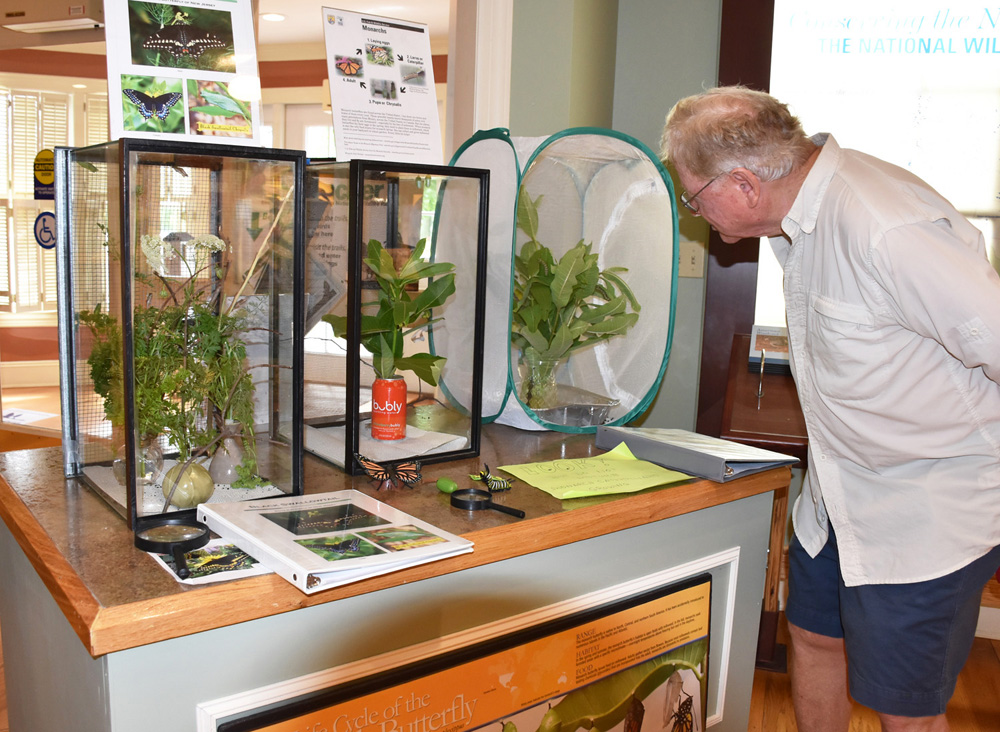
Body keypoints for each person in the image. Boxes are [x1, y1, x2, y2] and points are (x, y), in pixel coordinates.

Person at [660, 86, 1000, 732]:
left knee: (905, 710)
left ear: (742, 185)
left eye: (692, 196)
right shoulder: (802, 217)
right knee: (813, 639)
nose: (693, 211)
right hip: (837, 500)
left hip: (923, 513)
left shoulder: (880, 226)